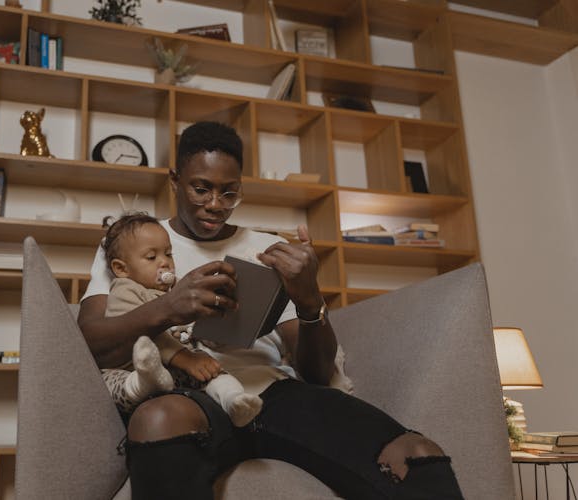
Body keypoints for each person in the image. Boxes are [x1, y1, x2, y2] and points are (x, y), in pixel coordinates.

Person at [78, 121, 464, 499]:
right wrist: (169, 307)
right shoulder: (132, 241)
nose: (215, 205)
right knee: (156, 420)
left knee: (414, 454)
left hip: (273, 393)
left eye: (229, 193)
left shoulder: (267, 249)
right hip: (189, 396)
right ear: (175, 180)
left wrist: (309, 298)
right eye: (201, 189)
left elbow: (314, 372)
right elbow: (90, 344)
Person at [98, 212, 263, 426]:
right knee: (109, 382)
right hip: (132, 369)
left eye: (168, 254)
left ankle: (234, 401)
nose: (165, 263)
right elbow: (143, 333)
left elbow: (193, 331)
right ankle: (142, 385)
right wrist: (184, 357)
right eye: (152, 257)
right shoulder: (125, 289)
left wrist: (216, 330)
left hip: (175, 372)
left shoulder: (177, 290)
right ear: (121, 268)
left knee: (214, 371)